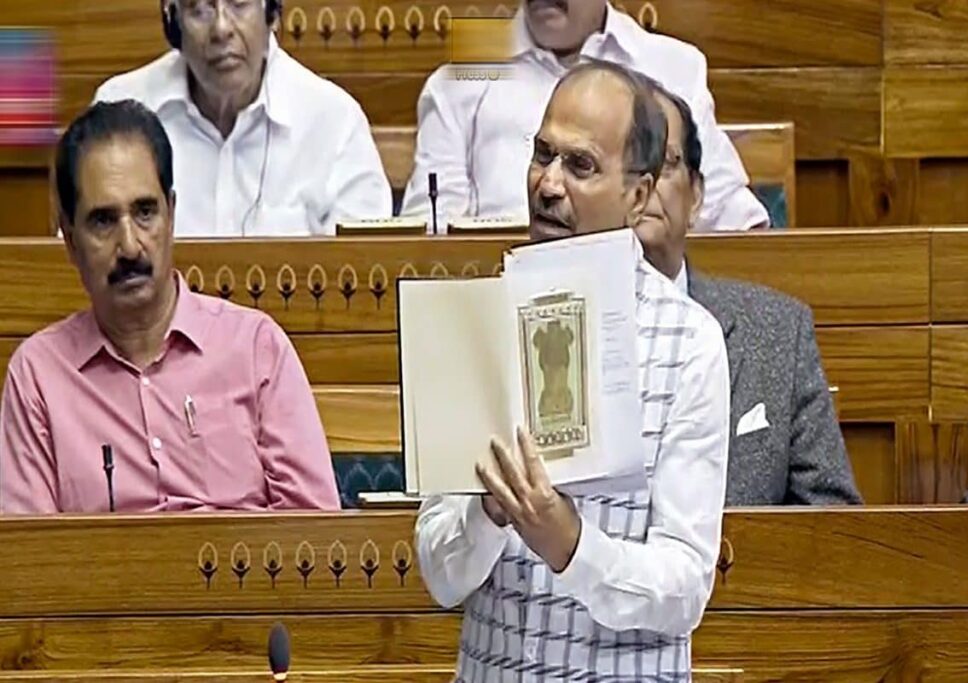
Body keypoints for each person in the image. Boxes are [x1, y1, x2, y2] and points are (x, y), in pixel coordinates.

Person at [415, 62, 730, 681]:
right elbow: (439, 574)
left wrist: (570, 543)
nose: (548, 184)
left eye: (580, 165)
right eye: (541, 154)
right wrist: (487, 514)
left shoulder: (690, 342)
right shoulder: (475, 320)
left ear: (638, 196)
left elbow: (685, 588)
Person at [0, 100, 341, 514]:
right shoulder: (39, 376)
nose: (129, 246)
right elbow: (30, 562)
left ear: (172, 215)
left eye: (145, 213)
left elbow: (314, 530)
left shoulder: (255, 348)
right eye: (103, 221)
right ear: (70, 240)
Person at [634, 84, 863, 506]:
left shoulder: (777, 331)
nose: (645, 185)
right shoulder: (552, 330)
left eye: (663, 164)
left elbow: (833, 519)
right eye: (629, 165)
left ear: (696, 197)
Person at [401, 0, 769, 233]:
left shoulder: (671, 64)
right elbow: (429, 232)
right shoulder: (463, 71)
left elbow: (731, 218)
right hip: (497, 299)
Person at [92, 0, 391, 237]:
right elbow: (86, 251)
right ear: (174, 22)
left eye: (239, 3)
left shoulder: (334, 121)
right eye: (199, 8)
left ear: (271, 13)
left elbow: (364, 264)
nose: (221, 28)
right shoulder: (120, 112)